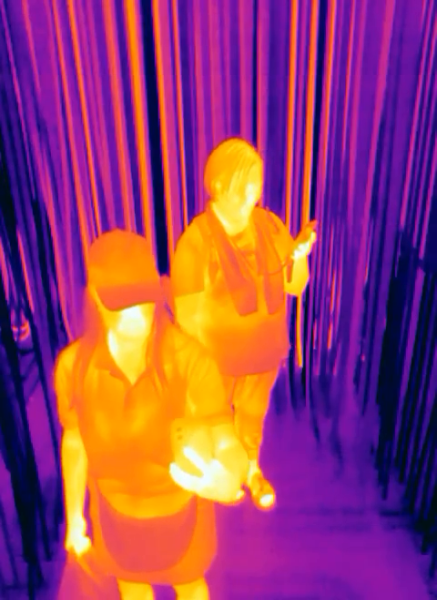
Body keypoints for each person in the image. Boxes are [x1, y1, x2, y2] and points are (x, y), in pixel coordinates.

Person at [54, 229, 249, 600]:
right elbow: (75, 442)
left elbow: (224, 435)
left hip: (182, 515)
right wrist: (75, 517)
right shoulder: (73, 367)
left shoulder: (190, 360)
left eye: (142, 298)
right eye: (120, 302)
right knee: (132, 588)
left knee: (190, 587)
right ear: (94, 297)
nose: (135, 314)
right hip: (114, 518)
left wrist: (229, 476)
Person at [171, 137, 316, 511]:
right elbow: (185, 317)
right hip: (216, 364)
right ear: (219, 185)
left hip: (264, 356)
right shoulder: (196, 242)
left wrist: (299, 255)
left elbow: (295, 285)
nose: (253, 192)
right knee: (212, 422)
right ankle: (212, 481)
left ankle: (251, 470)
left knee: (252, 419)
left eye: (256, 182)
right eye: (245, 183)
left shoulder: (269, 226)